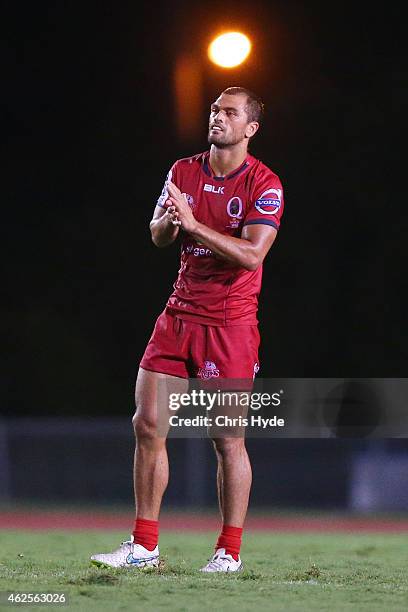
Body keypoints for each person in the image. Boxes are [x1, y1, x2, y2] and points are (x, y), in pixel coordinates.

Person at [90, 86, 284, 572]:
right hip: (178, 314)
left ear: (250, 128)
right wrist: (171, 221)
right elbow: (158, 235)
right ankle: (144, 546)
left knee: (227, 438)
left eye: (230, 113)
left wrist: (195, 225)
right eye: (216, 109)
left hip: (230, 323)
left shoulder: (265, 184)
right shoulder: (183, 170)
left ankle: (229, 552)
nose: (218, 117)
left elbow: (252, 255)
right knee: (148, 424)